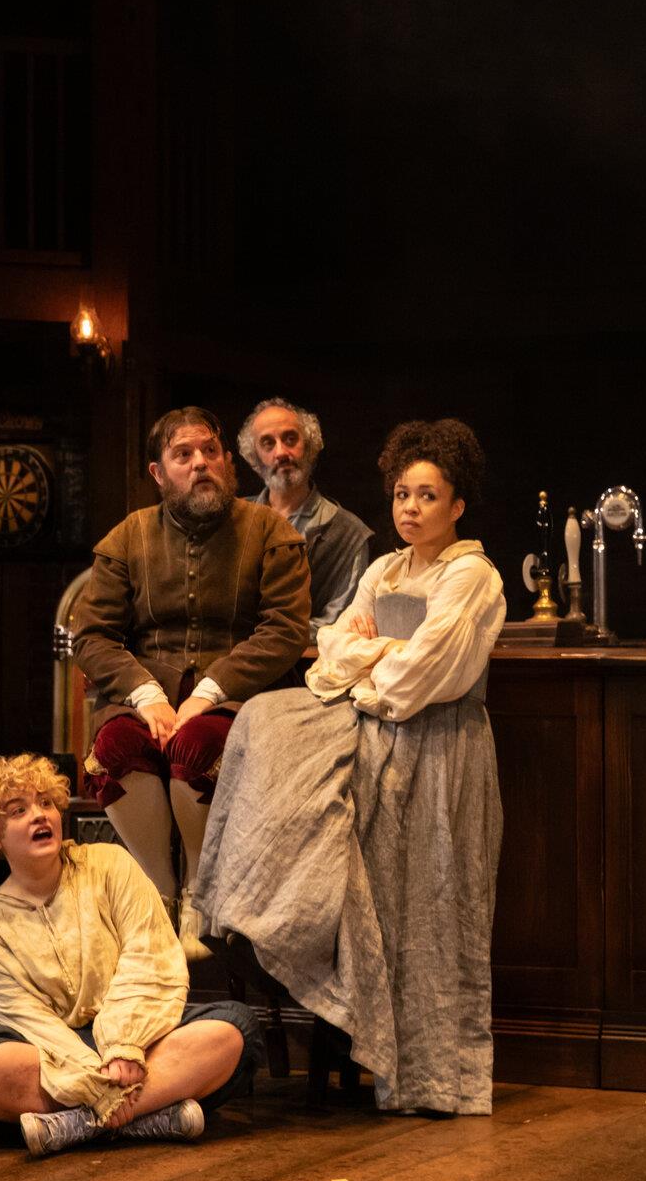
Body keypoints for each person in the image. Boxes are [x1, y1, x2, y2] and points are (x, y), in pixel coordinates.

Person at [197, 418, 507, 1115]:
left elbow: (422, 675)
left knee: (431, 903)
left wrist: (370, 660)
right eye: (401, 494)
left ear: (457, 505)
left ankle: (436, 1079)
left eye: (428, 496)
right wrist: (373, 656)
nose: (410, 508)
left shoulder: (471, 576)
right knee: (266, 726)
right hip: (378, 732)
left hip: (439, 749)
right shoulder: (384, 569)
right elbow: (329, 654)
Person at [71, 407, 311, 960]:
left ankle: (201, 891)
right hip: (145, 696)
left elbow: (284, 629)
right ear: (159, 473)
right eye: (184, 455)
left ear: (227, 460)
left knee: (196, 746)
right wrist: (145, 695)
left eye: (209, 451)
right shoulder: (127, 538)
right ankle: (161, 893)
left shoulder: (270, 533)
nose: (200, 462)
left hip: (238, 696)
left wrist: (209, 692)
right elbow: (93, 635)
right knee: (116, 746)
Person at [0, 754, 263, 1156]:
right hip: (51, 1054)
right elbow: (25, 1016)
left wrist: (123, 1046)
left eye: (45, 803)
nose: (40, 816)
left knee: (235, 1027)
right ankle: (151, 1114)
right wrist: (87, 1079)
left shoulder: (110, 865)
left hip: (138, 1038)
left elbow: (149, 956)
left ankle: (74, 1125)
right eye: (19, 811)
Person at [236, 397, 374, 635]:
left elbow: (338, 623)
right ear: (254, 456)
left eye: (290, 439)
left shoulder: (349, 534)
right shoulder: (234, 519)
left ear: (309, 446)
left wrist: (269, 639)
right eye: (268, 443)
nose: (281, 452)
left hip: (306, 658)